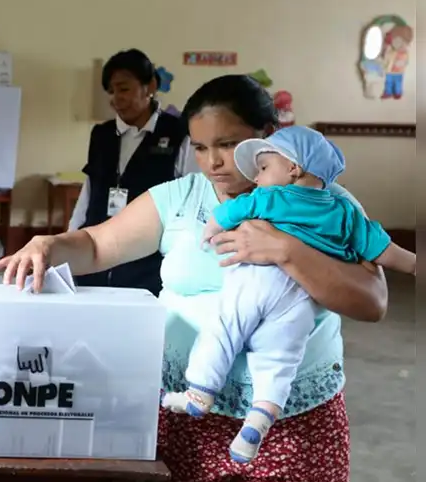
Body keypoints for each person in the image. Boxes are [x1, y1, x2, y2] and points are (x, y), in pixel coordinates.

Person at [0, 74, 389, 482]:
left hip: (293, 419)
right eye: (200, 148)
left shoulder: (327, 204)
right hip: (191, 415)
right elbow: (97, 244)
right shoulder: (179, 199)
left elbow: (373, 300)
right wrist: (49, 245)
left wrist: (287, 251)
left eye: (228, 144)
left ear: (269, 136)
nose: (214, 163)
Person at [162, 125, 415, 463]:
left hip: (257, 280)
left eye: (264, 168)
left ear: (293, 168)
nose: (257, 178)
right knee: (280, 358)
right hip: (301, 296)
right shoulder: (345, 213)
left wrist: (211, 229)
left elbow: (227, 214)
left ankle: (199, 394)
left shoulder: (271, 197)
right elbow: (384, 251)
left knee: (223, 330)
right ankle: (259, 420)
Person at [68, 48, 197, 295]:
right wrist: (69, 242)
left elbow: (189, 197)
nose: (117, 98)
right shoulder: (102, 134)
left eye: (124, 89)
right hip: (95, 251)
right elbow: (88, 194)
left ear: (150, 86)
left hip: (148, 259)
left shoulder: (178, 134)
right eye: (112, 92)